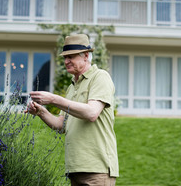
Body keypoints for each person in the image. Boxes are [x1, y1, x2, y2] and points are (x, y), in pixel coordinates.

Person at [25, 34, 119, 186]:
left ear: (86, 56)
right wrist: (41, 112)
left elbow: (91, 113)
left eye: (71, 56)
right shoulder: (71, 87)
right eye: (65, 57)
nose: (66, 61)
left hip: (97, 169)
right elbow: (61, 125)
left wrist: (54, 99)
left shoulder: (100, 77)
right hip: (75, 169)